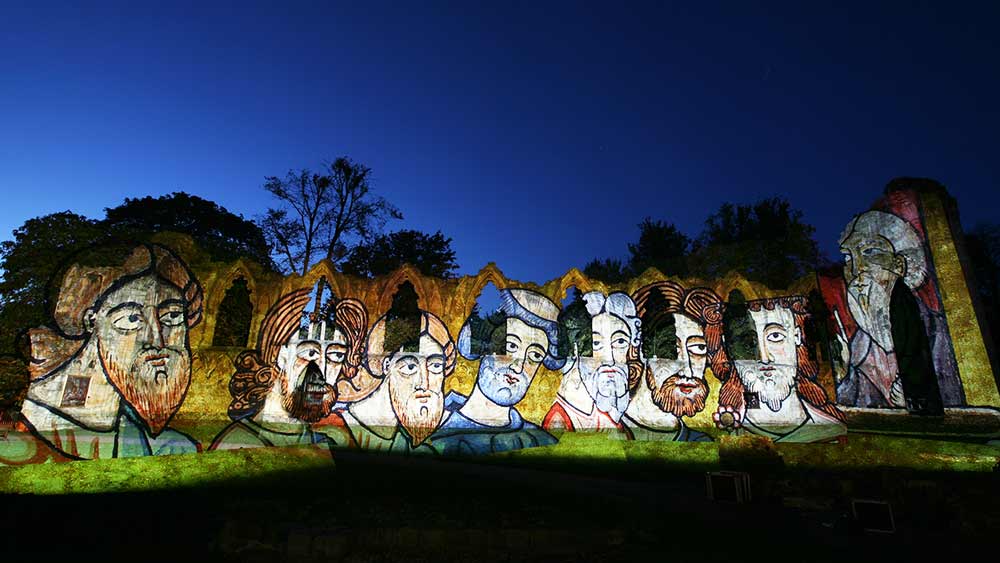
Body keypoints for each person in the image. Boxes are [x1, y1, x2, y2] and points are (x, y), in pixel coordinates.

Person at [14, 243, 203, 461]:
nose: (157, 340)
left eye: (172, 317)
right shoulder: (45, 422)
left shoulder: (173, 446)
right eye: (132, 319)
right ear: (90, 320)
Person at [835, 210, 963, 410]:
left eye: (870, 251)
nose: (856, 269)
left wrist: (917, 390)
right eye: (847, 258)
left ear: (900, 263)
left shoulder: (937, 333)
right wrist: (844, 374)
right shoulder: (858, 349)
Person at [210, 287, 366, 450]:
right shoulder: (239, 444)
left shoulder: (323, 445)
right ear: (281, 357)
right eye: (310, 353)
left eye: (336, 356)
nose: (322, 372)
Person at [431, 289, 563, 455]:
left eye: (535, 356)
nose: (518, 367)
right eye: (510, 346)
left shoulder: (540, 441)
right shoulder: (433, 428)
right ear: (484, 347)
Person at [715, 297, 846, 442]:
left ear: (796, 337)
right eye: (747, 342)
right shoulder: (725, 435)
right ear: (728, 347)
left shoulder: (831, 431)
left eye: (775, 336)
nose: (764, 358)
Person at [333, 309, 456, 454]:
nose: (424, 384)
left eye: (435, 366)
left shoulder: (409, 443)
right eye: (410, 367)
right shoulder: (334, 431)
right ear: (386, 366)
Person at [623, 281, 722, 442]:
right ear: (640, 351)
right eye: (669, 350)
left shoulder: (701, 442)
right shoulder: (609, 433)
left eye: (698, 348)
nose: (687, 371)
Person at [542, 291, 641, 438]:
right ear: (576, 349)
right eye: (596, 344)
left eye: (620, 342)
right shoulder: (560, 420)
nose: (610, 360)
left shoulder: (611, 417)